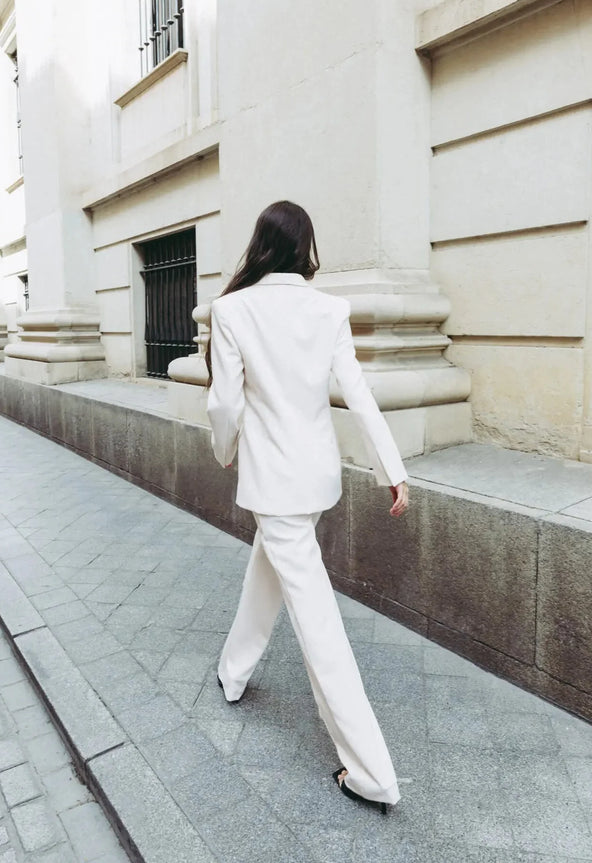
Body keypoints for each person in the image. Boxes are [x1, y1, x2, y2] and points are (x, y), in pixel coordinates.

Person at [205, 200, 409, 812]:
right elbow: (359, 394)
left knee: (318, 622)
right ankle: (233, 670)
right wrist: (391, 469)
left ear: (260, 244)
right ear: (306, 248)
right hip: (314, 481)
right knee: (269, 567)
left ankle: (371, 770)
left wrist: (226, 451)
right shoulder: (329, 311)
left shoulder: (232, 309)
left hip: (274, 480)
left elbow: (223, 405)